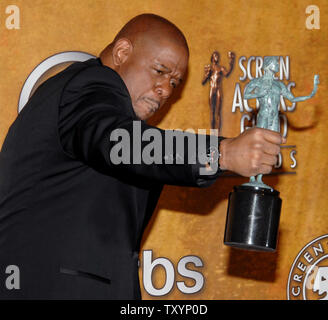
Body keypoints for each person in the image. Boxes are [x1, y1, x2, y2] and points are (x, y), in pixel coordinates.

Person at [0, 14, 284, 299]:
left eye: (175, 82)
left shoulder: (110, 117)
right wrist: (221, 153)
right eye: (160, 71)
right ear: (122, 53)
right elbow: (118, 143)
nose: (165, 91)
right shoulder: (89, 85)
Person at [202, 51, 235, 133]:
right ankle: (213, 132)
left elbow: (227, 74)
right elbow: (203, 82)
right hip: (211, 90)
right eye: (215, 55)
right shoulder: (209, 68)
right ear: (212, 57)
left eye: (218, 55)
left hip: (218, 90)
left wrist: (231, 62)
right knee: (212, 113)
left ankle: (218, 133)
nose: (217, 57)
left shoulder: (221, 68)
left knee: (218, 113)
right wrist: (206, 75)